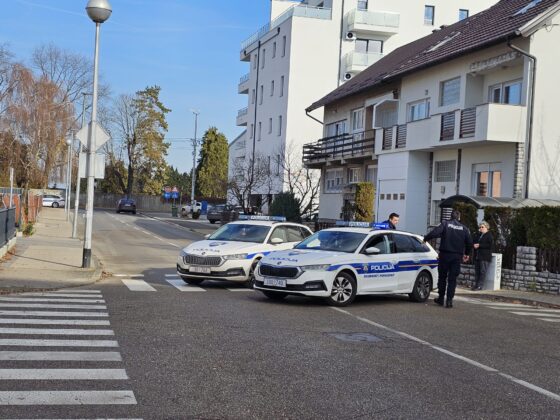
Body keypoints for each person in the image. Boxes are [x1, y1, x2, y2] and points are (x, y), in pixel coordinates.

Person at [424, 210, 473, 308]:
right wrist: (467, 253)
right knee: (452, 279)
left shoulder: (445, 224)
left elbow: (434, 232)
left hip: (445, 255)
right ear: (459, 218)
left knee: (442, 277)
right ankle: (449, 301)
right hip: (457, 257)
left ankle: (441, 298)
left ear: (451, 216)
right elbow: (469, 242)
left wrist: (425, 239)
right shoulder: (464, 228)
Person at [472, 221, 493, 291]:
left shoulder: (489, 235)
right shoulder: (480, 235)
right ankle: (476, 285)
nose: (481, 228)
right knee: (477, 271)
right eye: (480, 227)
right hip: (478, 256)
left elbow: (490, 245)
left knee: (482, 272)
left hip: (484, 257)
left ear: (487, 227)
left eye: (482, 227)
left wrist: (479, 245)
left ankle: (479, 286)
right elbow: (474, 240)